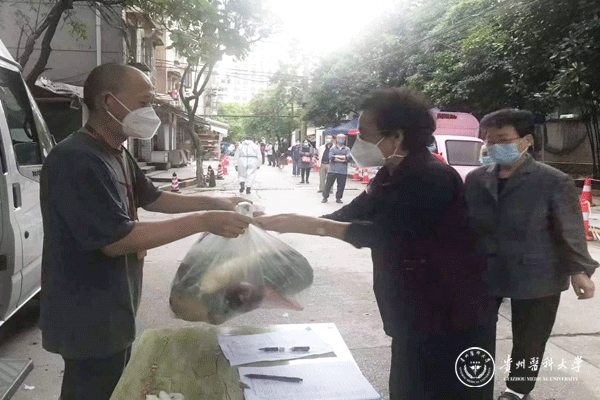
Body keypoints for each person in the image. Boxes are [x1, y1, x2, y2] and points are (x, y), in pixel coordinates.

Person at [255, 87, 497, 400]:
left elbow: (387, 234)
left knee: (442, 391)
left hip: (452, 312)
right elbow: (354, 212)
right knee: (408, 386)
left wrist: (314, 226)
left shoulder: (431, 176)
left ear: (396, 136)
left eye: (365, 135)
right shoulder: (390, 173)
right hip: (415, 309)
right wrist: (288, 222)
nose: (358, 143)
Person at [39, 63, 252, 400]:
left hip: (113, 306)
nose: (150, 111)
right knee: (93, 389)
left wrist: (217, 201)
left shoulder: (116, 152)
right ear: (108, 102)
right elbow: (116, 240)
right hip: (86, 313)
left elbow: (153, 198)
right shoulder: (76, 159)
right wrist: (203, 221)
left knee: (114, 386)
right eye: (144, 102)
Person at [465, 109, 598, 400]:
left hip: (538, 272)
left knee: (530, 338)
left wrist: (579, 271)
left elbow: (570, 229)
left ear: (526, 141)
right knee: (474, 330)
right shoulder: (476, 179)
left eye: (503, 140)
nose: (493, 146)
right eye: (489, 140)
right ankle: (475, 383)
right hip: (485, 269)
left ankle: (517, 390)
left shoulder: (553, 180)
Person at [322, 134, 352, 203]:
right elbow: (331, 157)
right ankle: (325, 197)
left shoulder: (347, 149)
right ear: (336, 139)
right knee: (328, 185)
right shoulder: (333, 148)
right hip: (332, 170)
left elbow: (348, 157)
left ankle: (338, 198)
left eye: (343, 138)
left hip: (343, 171)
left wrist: (336, 157)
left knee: (341, 186)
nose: (341, 139)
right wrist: (343, 159)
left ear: (345, 139)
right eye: (339, 138)